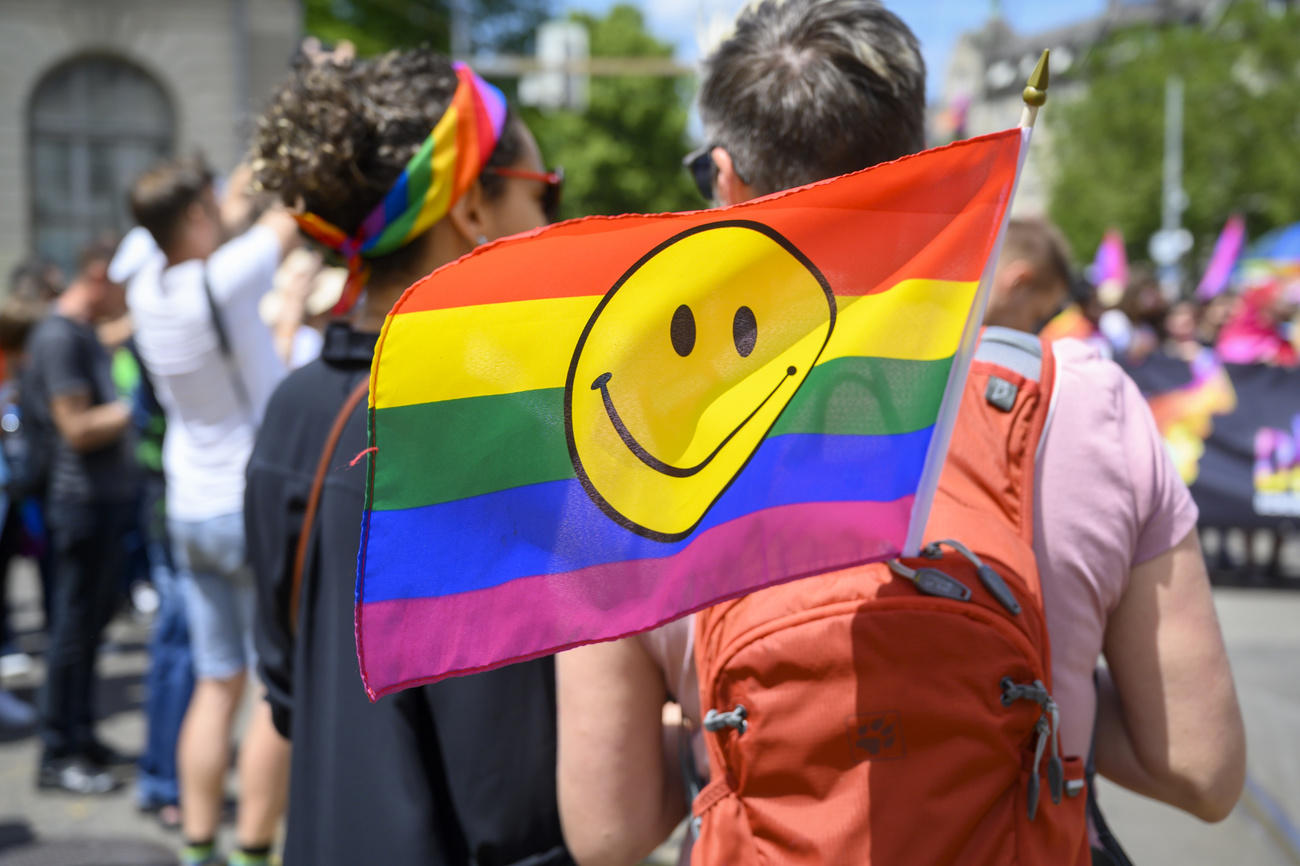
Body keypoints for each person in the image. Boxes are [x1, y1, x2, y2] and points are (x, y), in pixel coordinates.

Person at [556, 2, 1245, 863]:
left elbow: (607, 833)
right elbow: (1203, 771)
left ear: (728, 181)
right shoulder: (1084, 402)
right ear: (919, 167)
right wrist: (1046, 701)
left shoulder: (629, 443)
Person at [244, 46, 572, 866]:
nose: (554, 221)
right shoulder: (498, 428)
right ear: (472, 210)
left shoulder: (294, 408)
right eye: (546, 192)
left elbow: (286, 690)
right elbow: (514, 791)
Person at [126, 155, 298, 866]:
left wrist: (237, 175)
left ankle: (198, 846)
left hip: (188, 507)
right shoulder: (227, 279)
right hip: (246, 503)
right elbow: (285, 220)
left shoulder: (143, 283)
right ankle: (253, 850)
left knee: (213, 681)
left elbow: (225, 208)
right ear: (195, 215)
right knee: (271, 689)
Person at [24, 241, 138, 794]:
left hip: (104, 503)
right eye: (119, 285)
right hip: (79, 505)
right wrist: (130, 410)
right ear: (98, 277)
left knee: (90, 631)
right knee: (70, 633)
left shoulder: (85, 331)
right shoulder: (57, 337)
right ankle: (56, 751)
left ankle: (80, 732)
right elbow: (76, 427)